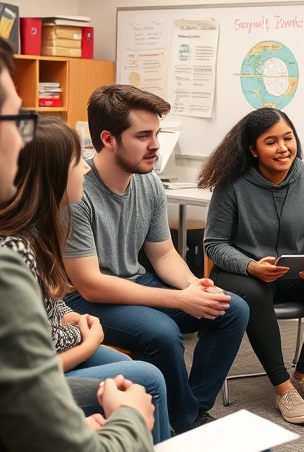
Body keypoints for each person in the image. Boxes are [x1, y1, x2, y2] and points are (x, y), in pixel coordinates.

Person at [0, 18, 282, 452]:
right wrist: (128, 420)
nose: (28, 140)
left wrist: (80, 433)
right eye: (19, 121)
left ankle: (186, 414)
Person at [0, 115, 171, 443]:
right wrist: (85, 338)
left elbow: (45, 301)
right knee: (145, 378)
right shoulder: (12, 247)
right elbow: (35, 357)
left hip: (46, 351)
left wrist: (66, 315)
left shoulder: (32, 230)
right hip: (23, 382)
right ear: (52, 174)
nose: (86, 170)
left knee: (122, 363)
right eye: (78, 162)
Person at [62, 85, 249, 433]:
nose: (156, 145)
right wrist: (180, 299)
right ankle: (185, 420)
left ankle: (188, 413)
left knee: (231, 308)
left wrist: (195, 286)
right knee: (162, 333)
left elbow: (162, 253)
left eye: (157, 133)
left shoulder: (147, 183)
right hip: (85, 299)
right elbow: (90, 284)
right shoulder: (75, 190)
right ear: (109, 139)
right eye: (143, 135)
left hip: (131, 283)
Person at [198, 107, 304, 426]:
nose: (283, 148)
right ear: (253, 149)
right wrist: (251, 266)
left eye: (288, 138)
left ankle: (303, 374)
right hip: (239, 273)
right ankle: (282, 387)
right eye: (271, 141)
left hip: (289, 272)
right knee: (254, 293)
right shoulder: (232, 184)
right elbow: (214, 244)